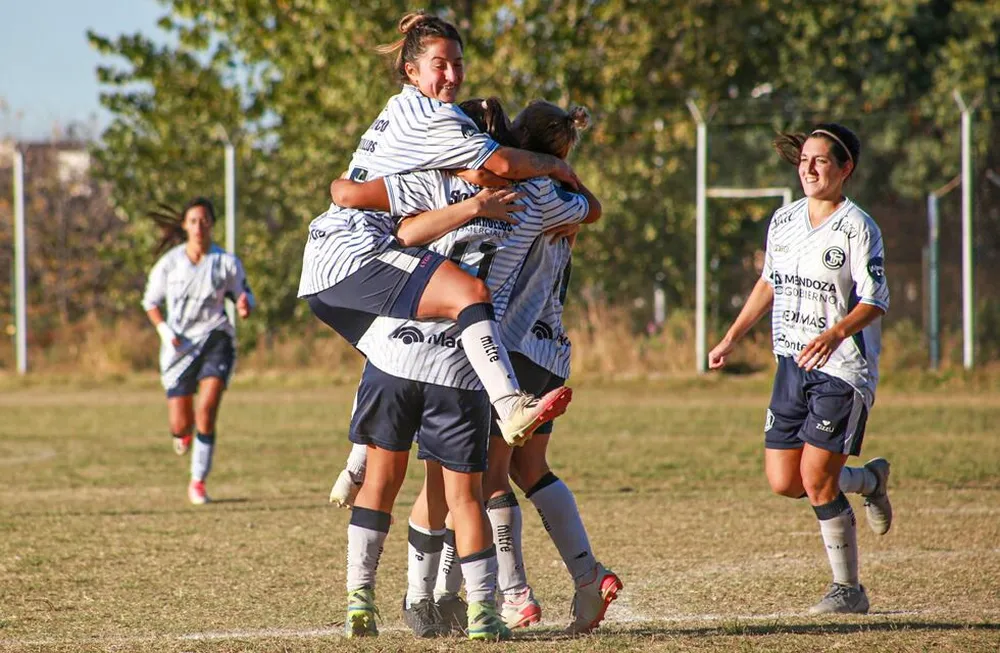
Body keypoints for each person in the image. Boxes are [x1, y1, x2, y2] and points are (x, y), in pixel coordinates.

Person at [334, 97, 600, 641]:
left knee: (394, 478)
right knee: (469, 489)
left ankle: (381, 594)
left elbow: (376, 216)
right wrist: (560, 171)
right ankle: (485, 608)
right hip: (477, 355)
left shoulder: (429, 181)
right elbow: (592, 211)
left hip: (401, 342)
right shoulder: (544, 194)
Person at [298, 12, 583, 446]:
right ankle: (508, 405)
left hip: (333, 258)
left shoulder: (403, 111)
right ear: (411, 71)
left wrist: (472, 199)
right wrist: (558, 168)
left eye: (458, 63)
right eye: (440, 65)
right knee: (467, 296)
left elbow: (345, 190)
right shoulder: (438, 119)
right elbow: (506, 165)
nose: (453, 75)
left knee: (389, 356)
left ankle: (356, 465)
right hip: (355, 251)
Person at [708, 124, 893, 615]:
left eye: (821, 161)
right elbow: (769, 282)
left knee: (816, 481)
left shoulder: (858, 227)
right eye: (804, 159)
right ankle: (869, 481)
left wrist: (835, 333)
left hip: (841, 369)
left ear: (845, 168)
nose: (809, 168)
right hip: (790, 362)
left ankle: (848, 590)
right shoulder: (784, 220)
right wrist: (731, 336)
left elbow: (875, 301)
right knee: (784, 481)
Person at [141, 197, 254, 505]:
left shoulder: (226, 262)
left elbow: (244, 294)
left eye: (204, 221)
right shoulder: (170, 263)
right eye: (193, 221)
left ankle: (198, 483)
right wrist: (165, 332)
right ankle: (183, 435)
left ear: (212, 224)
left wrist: (244, 304)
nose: (199, 226)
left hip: (216, 341)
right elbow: (150, 302)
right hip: (179, 348)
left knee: (206, 411)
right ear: (184, 226)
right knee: (180, 425)